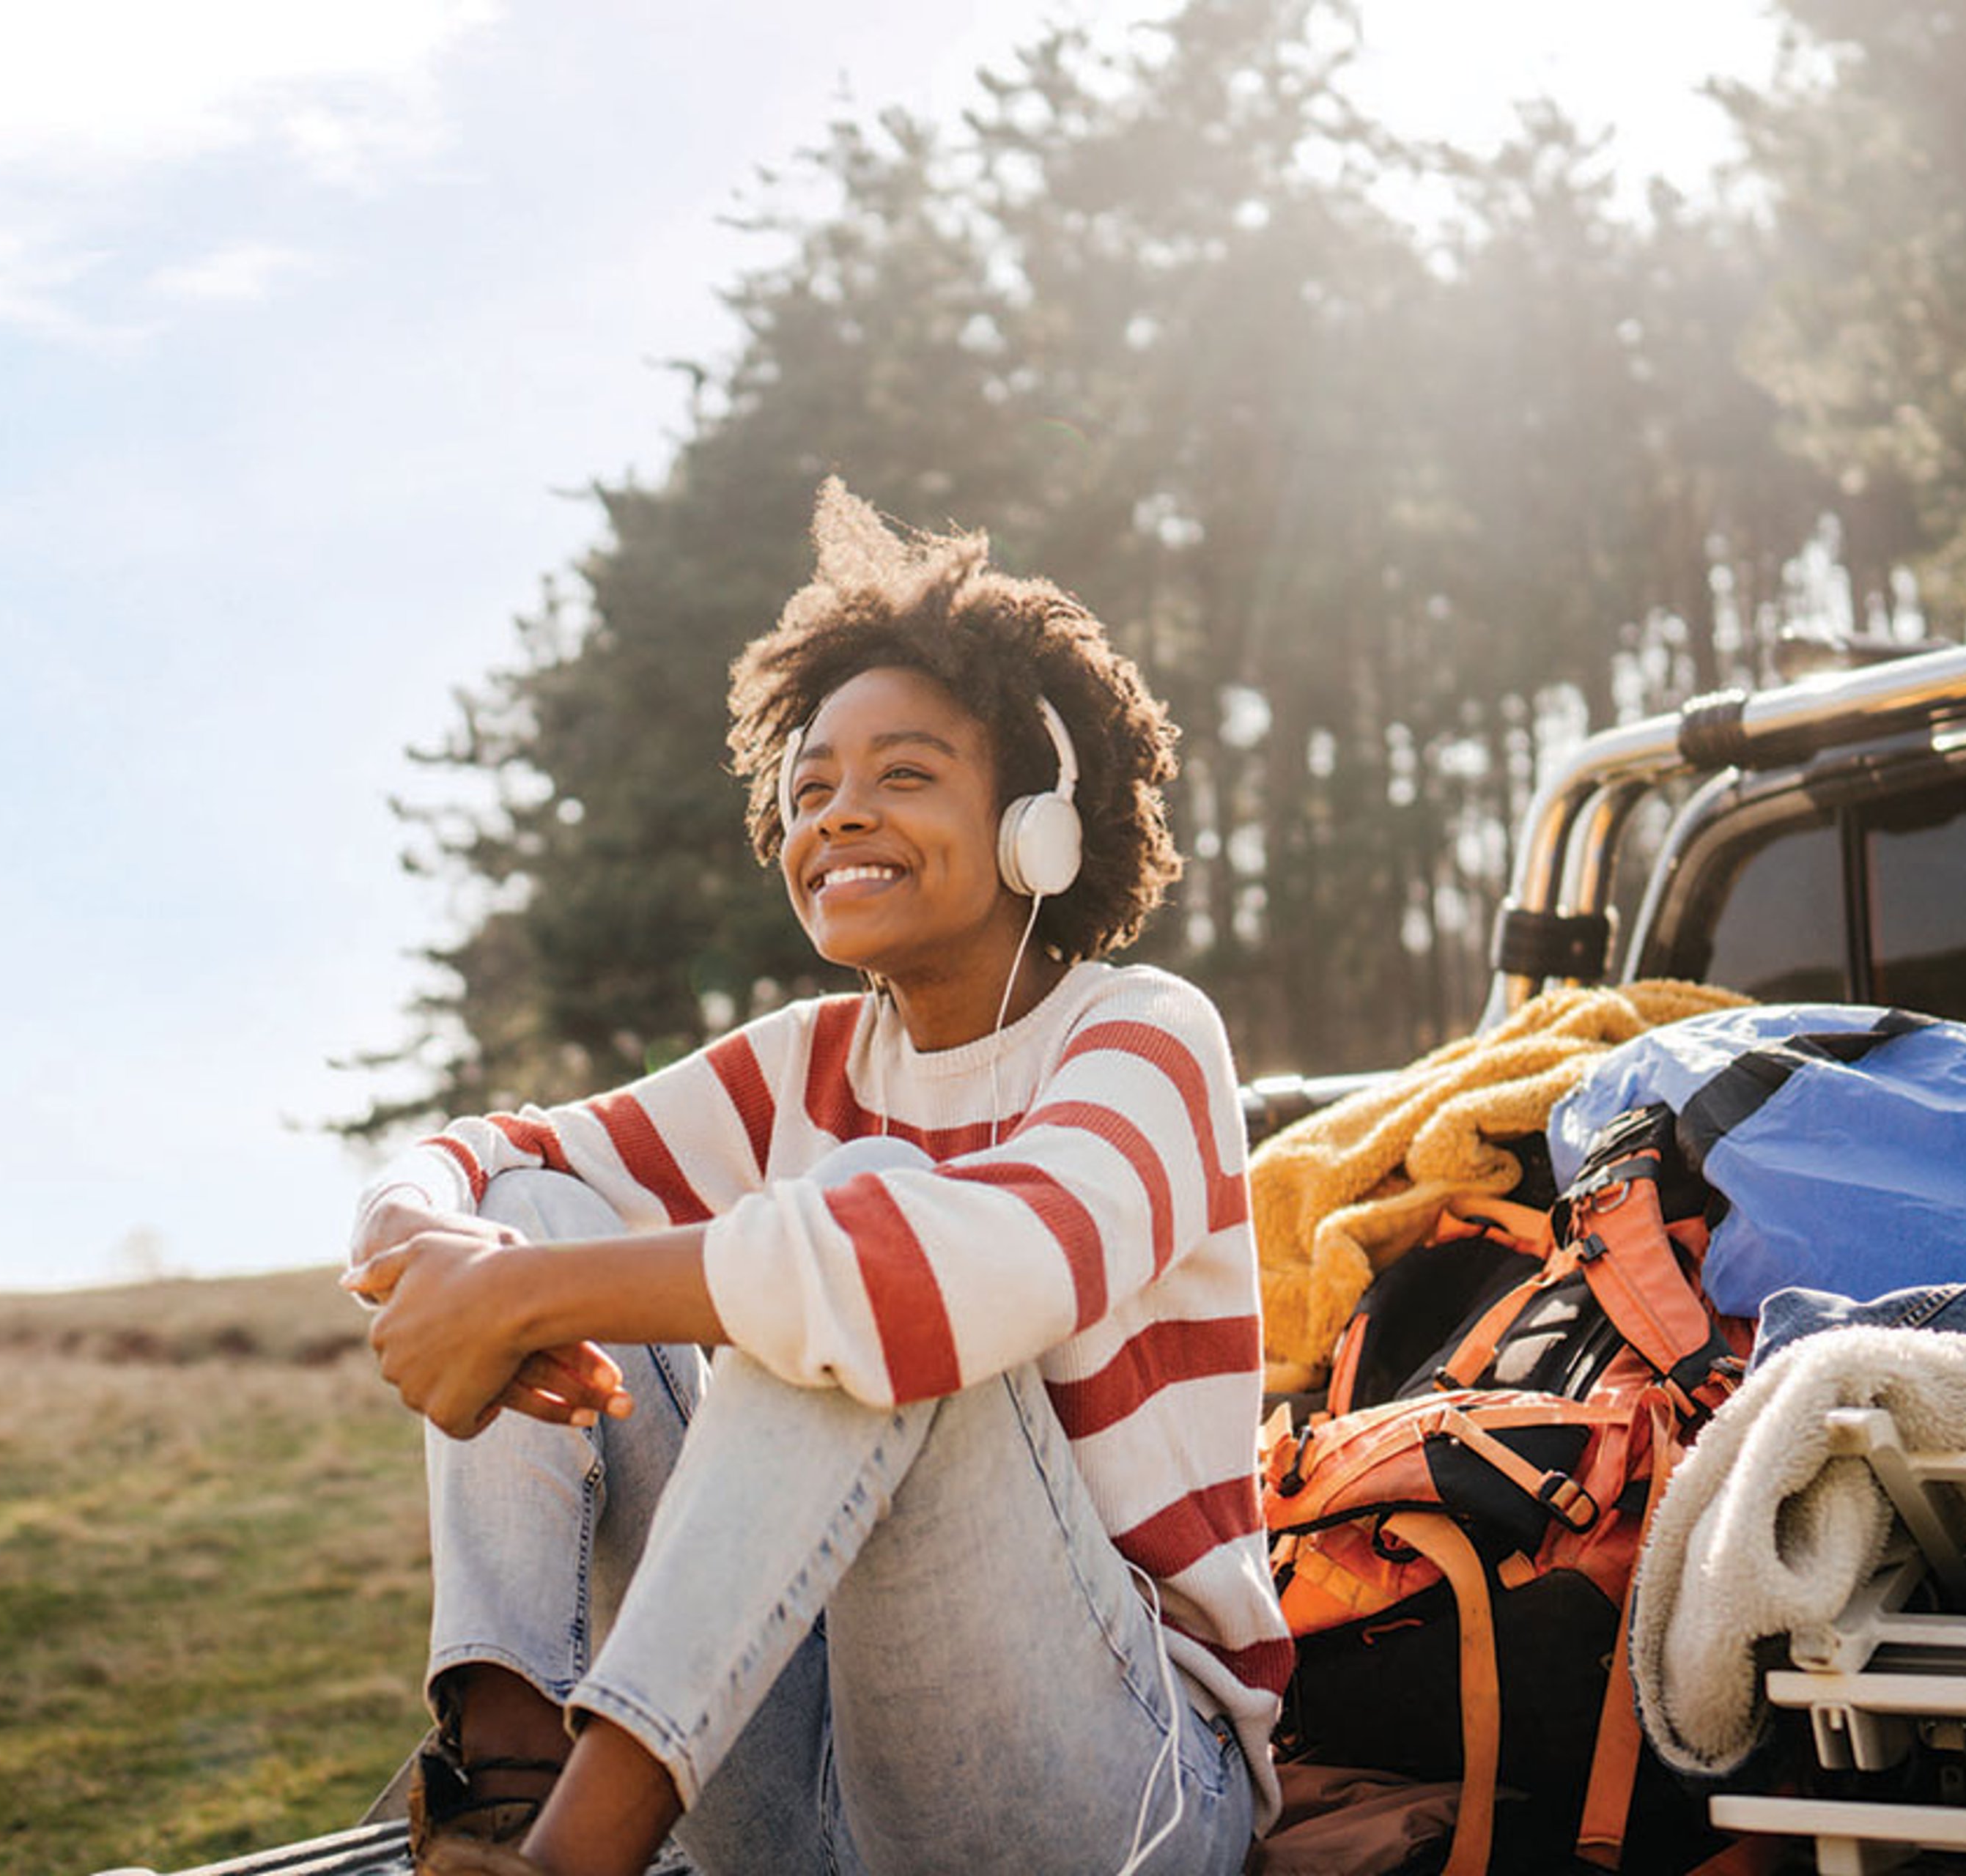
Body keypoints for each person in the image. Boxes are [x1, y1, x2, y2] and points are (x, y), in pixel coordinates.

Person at [344, 480, 1288, 1876]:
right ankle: (502, 1789)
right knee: (545, 1211)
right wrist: (428, 1238)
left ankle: (578, 1857)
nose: (841, 815)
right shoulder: (802, 1062)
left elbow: (938, 1275)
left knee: (857, 1276)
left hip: (1120, 1788)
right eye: (812, 789)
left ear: (1041, 822)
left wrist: (528, 1296)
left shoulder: (1143, 1036)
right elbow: (499, 1158)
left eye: (905, 775)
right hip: (804, 1786)